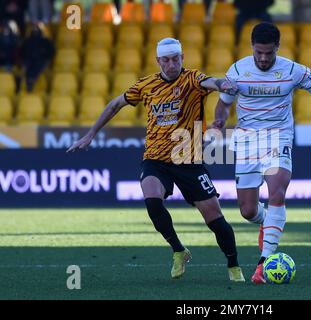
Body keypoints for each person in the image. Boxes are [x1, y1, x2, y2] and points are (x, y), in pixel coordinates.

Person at [67, 38, 245, 282]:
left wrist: (224, 85)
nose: (172, 64)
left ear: (182, 58)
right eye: (166, 60)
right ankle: (179, 251)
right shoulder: (146, 85)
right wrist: (90, 134)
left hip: (189, 159)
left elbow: (211, 82)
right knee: (152, 200)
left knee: (214, 219)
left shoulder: (192, 79)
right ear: (158, 61)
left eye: (176, 59)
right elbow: (115, 104)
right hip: (155, 159)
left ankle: (233, 266)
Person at [212, 22, 311, 284]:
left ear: (277, 49)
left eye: (269, 53)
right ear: (252, 48)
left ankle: (264, 263)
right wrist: (220, 121)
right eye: (259, 52)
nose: (263, 58)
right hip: (247, 141)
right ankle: (265, 222)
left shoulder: (293, 71)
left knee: (277, 191)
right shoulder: (237, 71)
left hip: (278, 137)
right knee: (247, 211)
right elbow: (223, 105)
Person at [21, 23, 55, 92]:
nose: (35, 32)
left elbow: (51, 51)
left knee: (38, 64)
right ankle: (30, 81)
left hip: (41, 60)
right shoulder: (27, 41)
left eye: (37, 30)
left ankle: (31, 80)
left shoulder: (45, 41)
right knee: (28, 65)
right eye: (34, 30)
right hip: (29, 60)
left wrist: (46, 57)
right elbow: (22, 52)